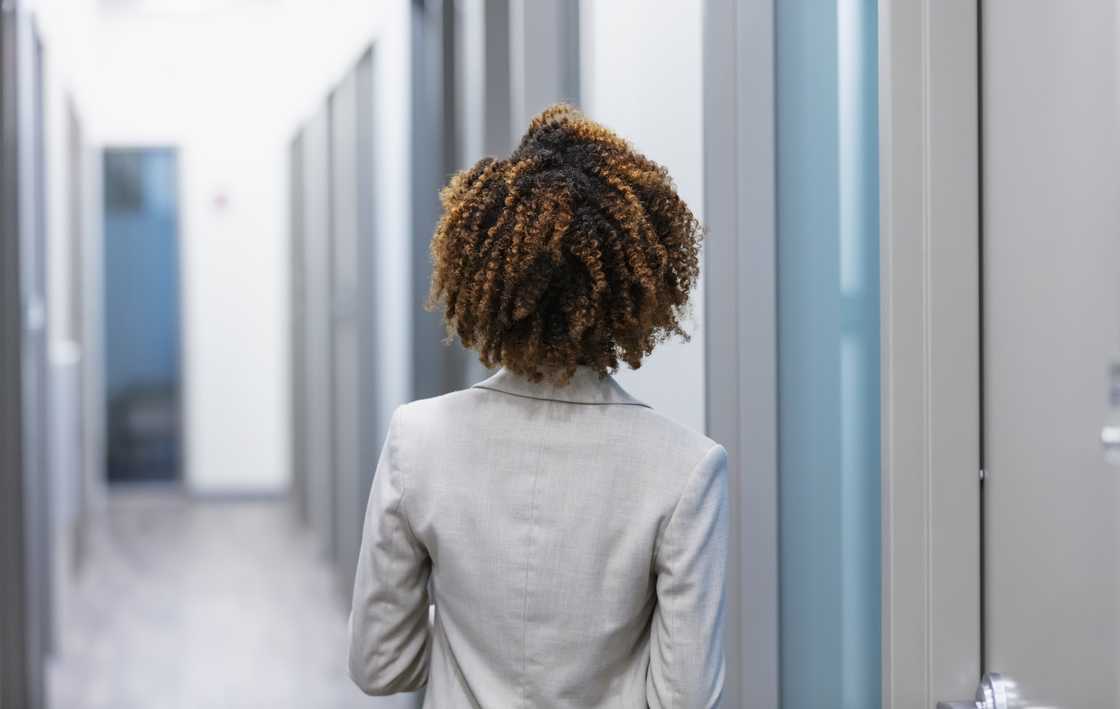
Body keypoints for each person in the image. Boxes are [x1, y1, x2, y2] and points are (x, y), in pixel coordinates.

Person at [348, 104, 728, 709]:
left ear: (481, 275)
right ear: (640, 284)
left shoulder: (416, 440)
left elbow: (380, 664)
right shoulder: (687, 468)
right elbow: (683, 699)